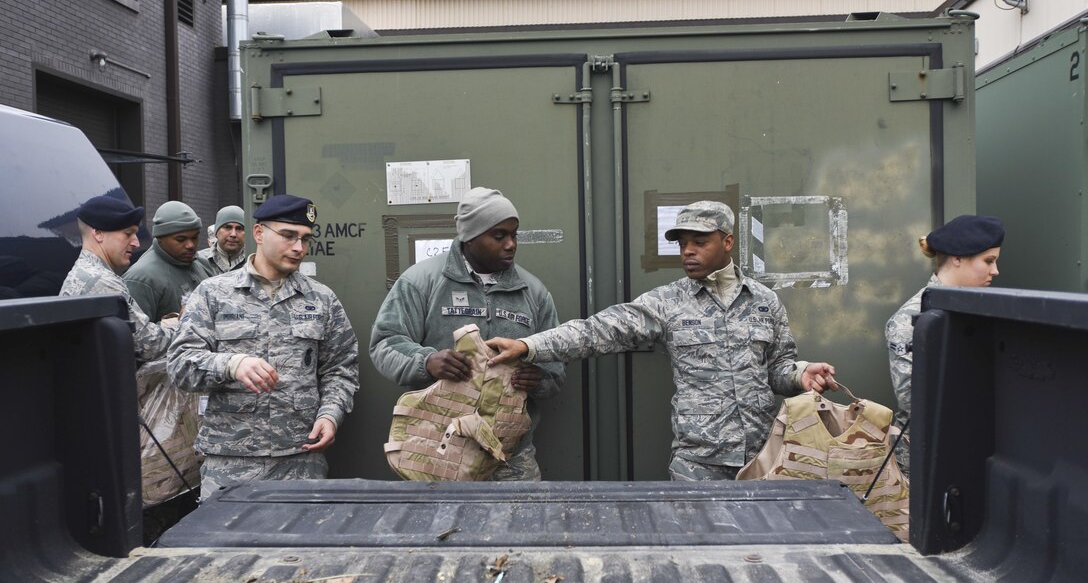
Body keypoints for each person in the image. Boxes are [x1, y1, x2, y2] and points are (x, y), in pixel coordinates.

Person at [487, 200, 837, 481]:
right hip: (699, 465)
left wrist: (800, 375)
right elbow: (597, 330)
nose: (687, 252)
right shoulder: (668, 302)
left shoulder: (764, 301)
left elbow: (777, 368)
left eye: (699, 242)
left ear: (727, 242)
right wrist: (530, 346)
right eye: (683, 244)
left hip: (765, 457)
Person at [167, 194, 359, 499]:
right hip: (231, 462)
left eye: (305, 239)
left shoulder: (321, 300)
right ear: (259, 233)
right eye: (288, 236)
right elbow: (180, 366)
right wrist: (231, 364)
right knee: (224, 546)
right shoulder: (213, 294)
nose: (299, 248)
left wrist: (330, 414)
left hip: (300, 460)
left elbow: (340, 369)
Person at [369, 187, 564, 481]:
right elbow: (385, 344)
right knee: (441, 527)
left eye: (514, 234)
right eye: (499, 236)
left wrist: (538, 380)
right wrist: (427, 362)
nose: (511, 244)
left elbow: (556, 370)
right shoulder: (421, 282)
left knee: (518, 525)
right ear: (469, 237)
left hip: (509, 458)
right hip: (436, 453)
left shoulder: (532, 292)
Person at [885, 214, 1004, 475]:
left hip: (978, 452)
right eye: (989, 261)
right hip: (930, 460)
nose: (995, 271)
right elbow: (917, 400)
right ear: (958, 257)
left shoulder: (988, 312)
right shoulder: (910, 321)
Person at [60, 195, 176, 365]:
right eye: (128, 234)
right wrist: (183, 323)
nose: (136, 243)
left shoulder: (87, 273)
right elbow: (148, 346)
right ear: (98, 233)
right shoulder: (100, 281)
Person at [124, 201, 213, 321]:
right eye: (181, 239)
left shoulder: (203, 265)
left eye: (194, 237)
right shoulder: (141, 279)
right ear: (160, 237)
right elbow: (136, 334)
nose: (190, 245)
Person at [198, 205, 247, 274]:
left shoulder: (253, 261)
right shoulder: (199, 261)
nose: (233, 234)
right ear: (216, 233)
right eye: (227, 227)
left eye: (239, 228)